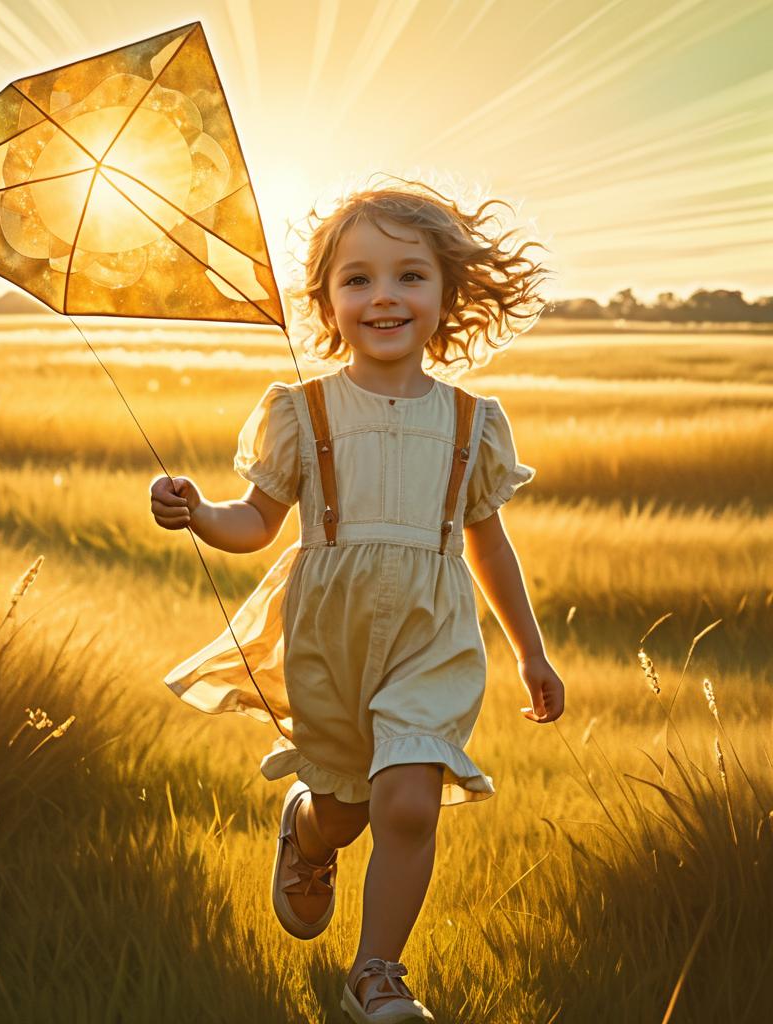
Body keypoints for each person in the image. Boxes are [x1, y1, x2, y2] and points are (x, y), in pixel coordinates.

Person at [150, 175, 566, 1023]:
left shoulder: (472, 421)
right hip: (328, 637)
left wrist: (529, 650)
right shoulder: (300, 412)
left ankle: (376, 975)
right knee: (345, 808)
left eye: (410, 276)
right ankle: (307, 832)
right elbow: (258, 522)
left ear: (447, 296)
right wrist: (197, 514)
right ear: (327, 299)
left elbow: (487, 541)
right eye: (358, 278)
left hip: (432, 634)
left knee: (408, 801)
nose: (384, 296)